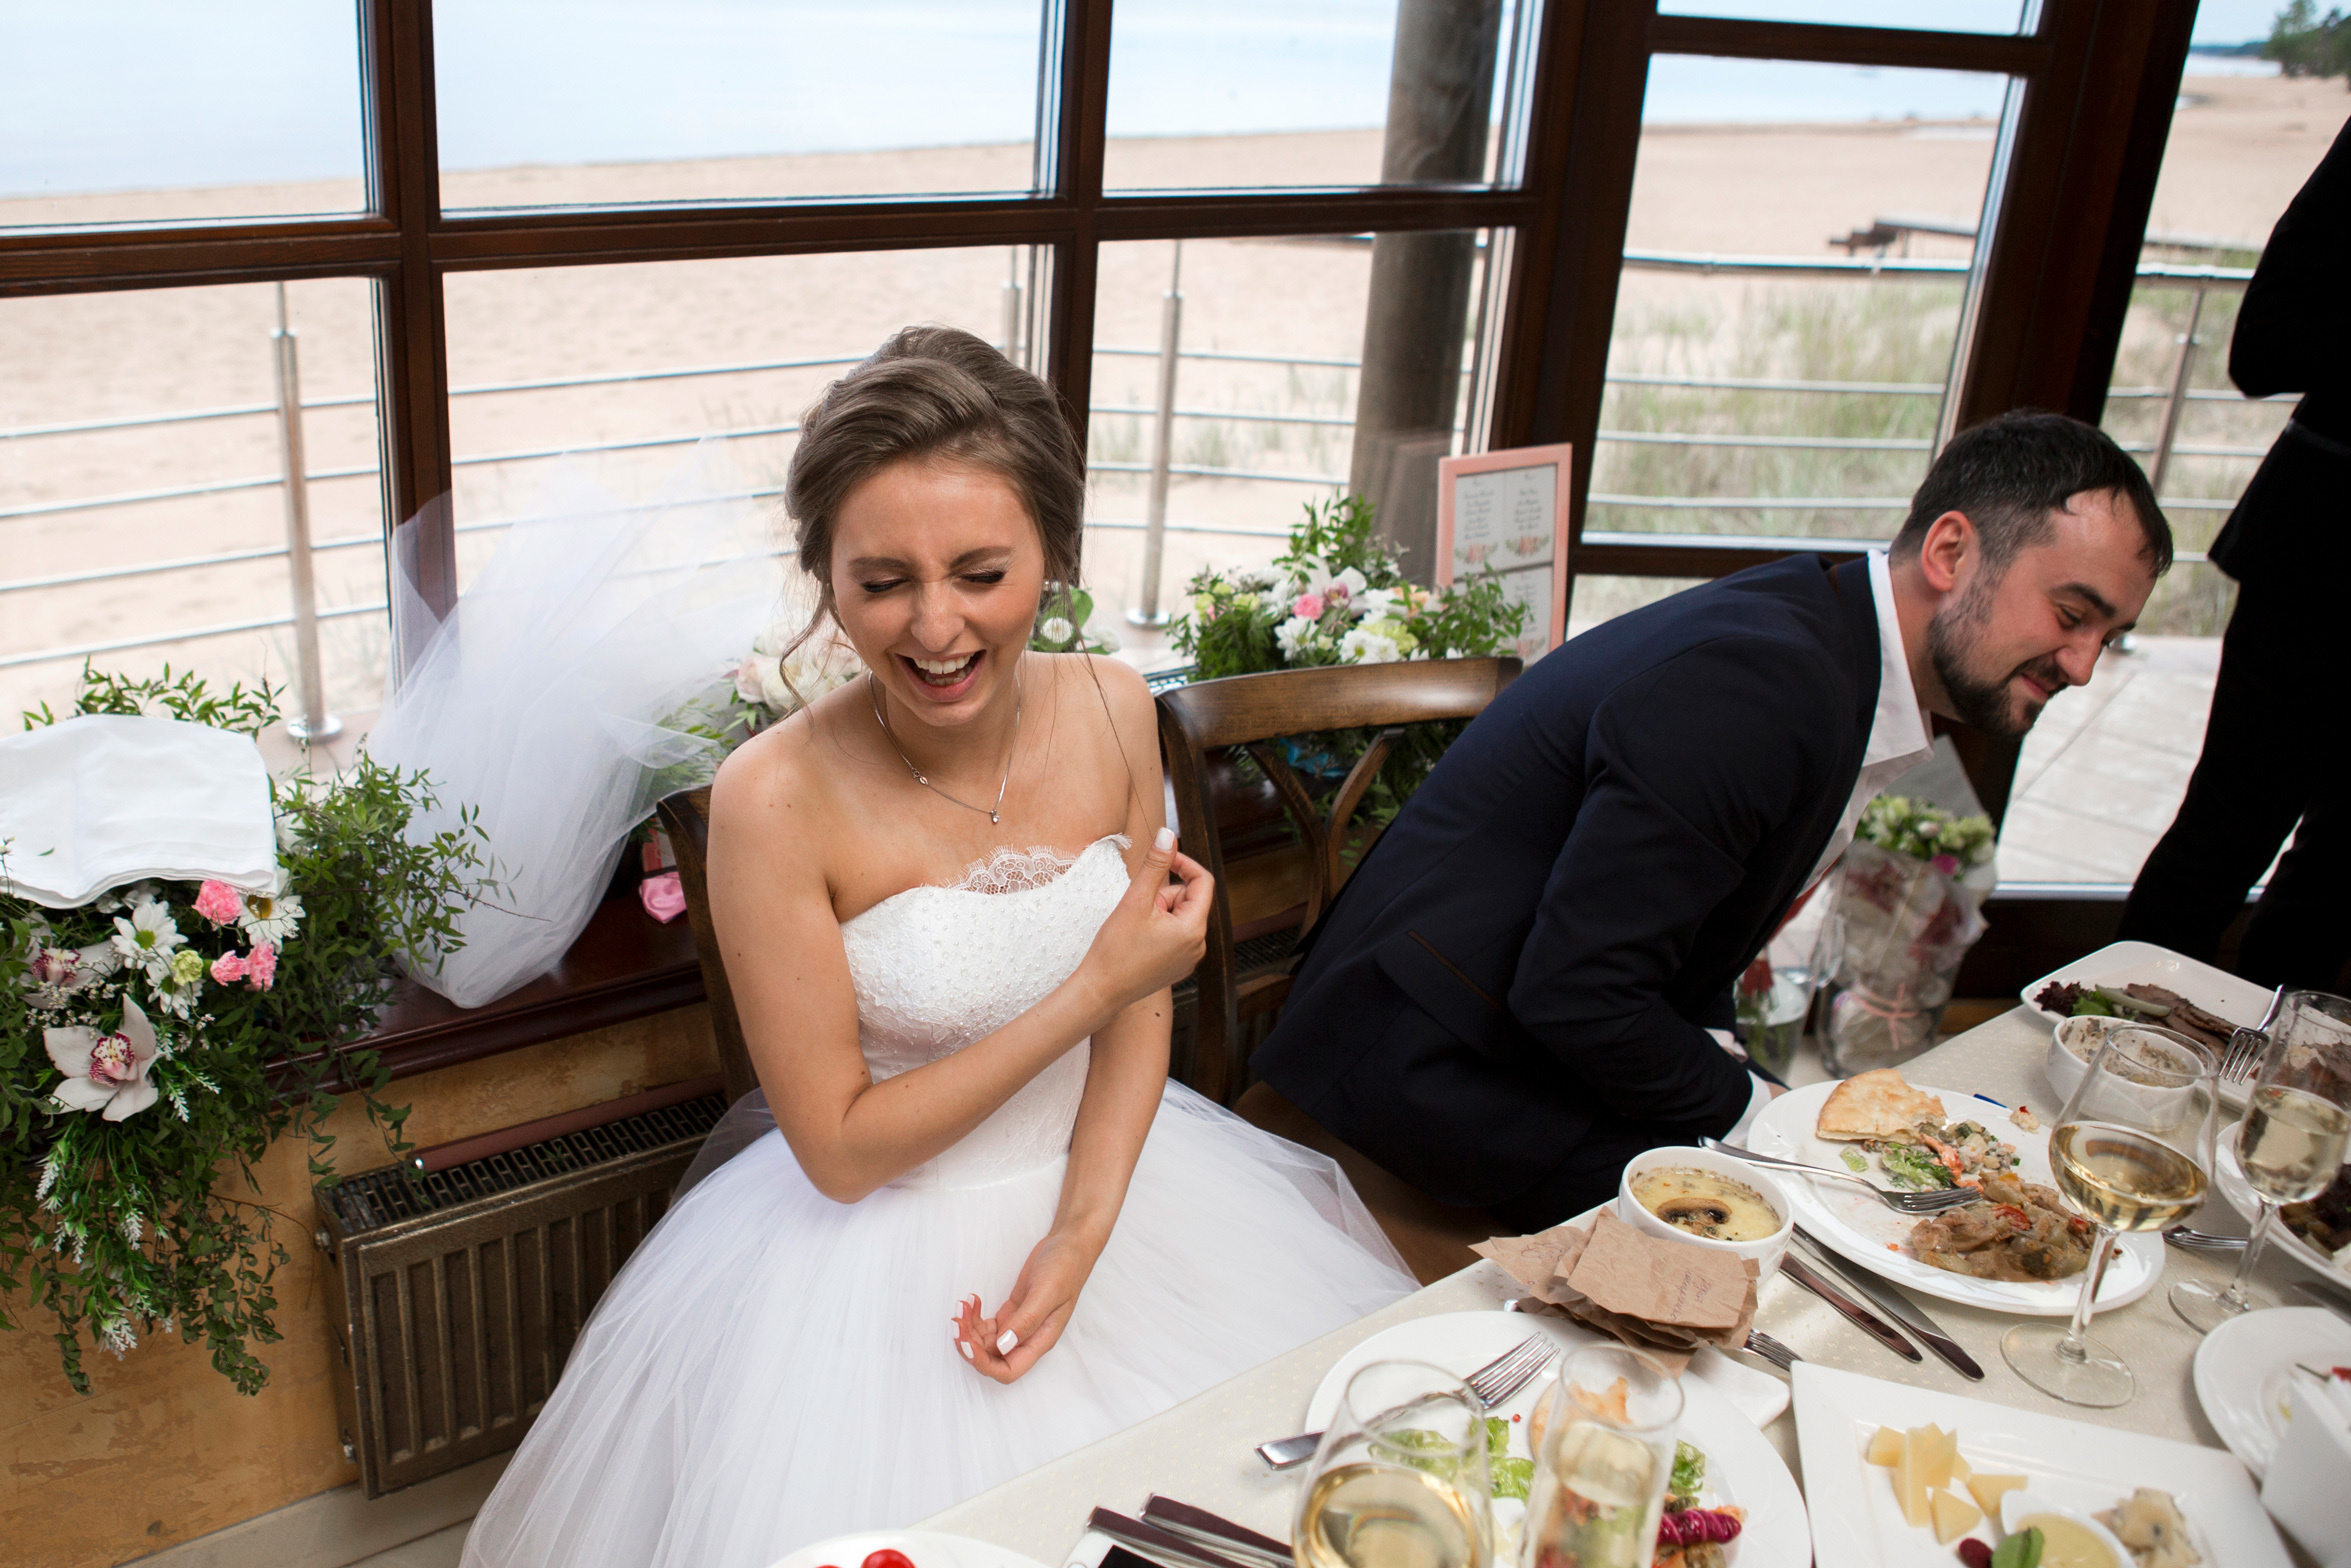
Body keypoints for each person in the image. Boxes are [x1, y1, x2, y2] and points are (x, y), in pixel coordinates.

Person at [461, 328, 1414, 1568]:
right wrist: (1096, 982)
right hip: (874, 1249)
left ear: (1054, 556)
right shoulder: (771, 797)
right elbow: (843, 1150)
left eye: (979, 571)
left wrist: (1078, 1235)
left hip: (1123, 1184)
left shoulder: (1118, 707)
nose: (934, 626)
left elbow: (1139, 1011)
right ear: (823, 577)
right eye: (881, 581)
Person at [1252, 411, 2171, 1229]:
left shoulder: (1829, 635)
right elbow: (1579, 993)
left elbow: (1675, 937)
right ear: (1949, 553)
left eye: (2106, 635)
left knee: (1865, 1199)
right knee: (1810, 1232)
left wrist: (1738, 1077)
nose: (2083, 665)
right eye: (2069, 614)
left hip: (1507, 1024)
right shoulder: (1767, 684)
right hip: (1427, 1069)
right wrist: (1756, 1110)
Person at [2119, 115, 2351, 992]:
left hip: (2316, 541)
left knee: (2336, 878)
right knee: (2223, 836)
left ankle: (2273, 1095)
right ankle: (2103, 1046)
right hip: (2326, 557)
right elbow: (2262, 348)